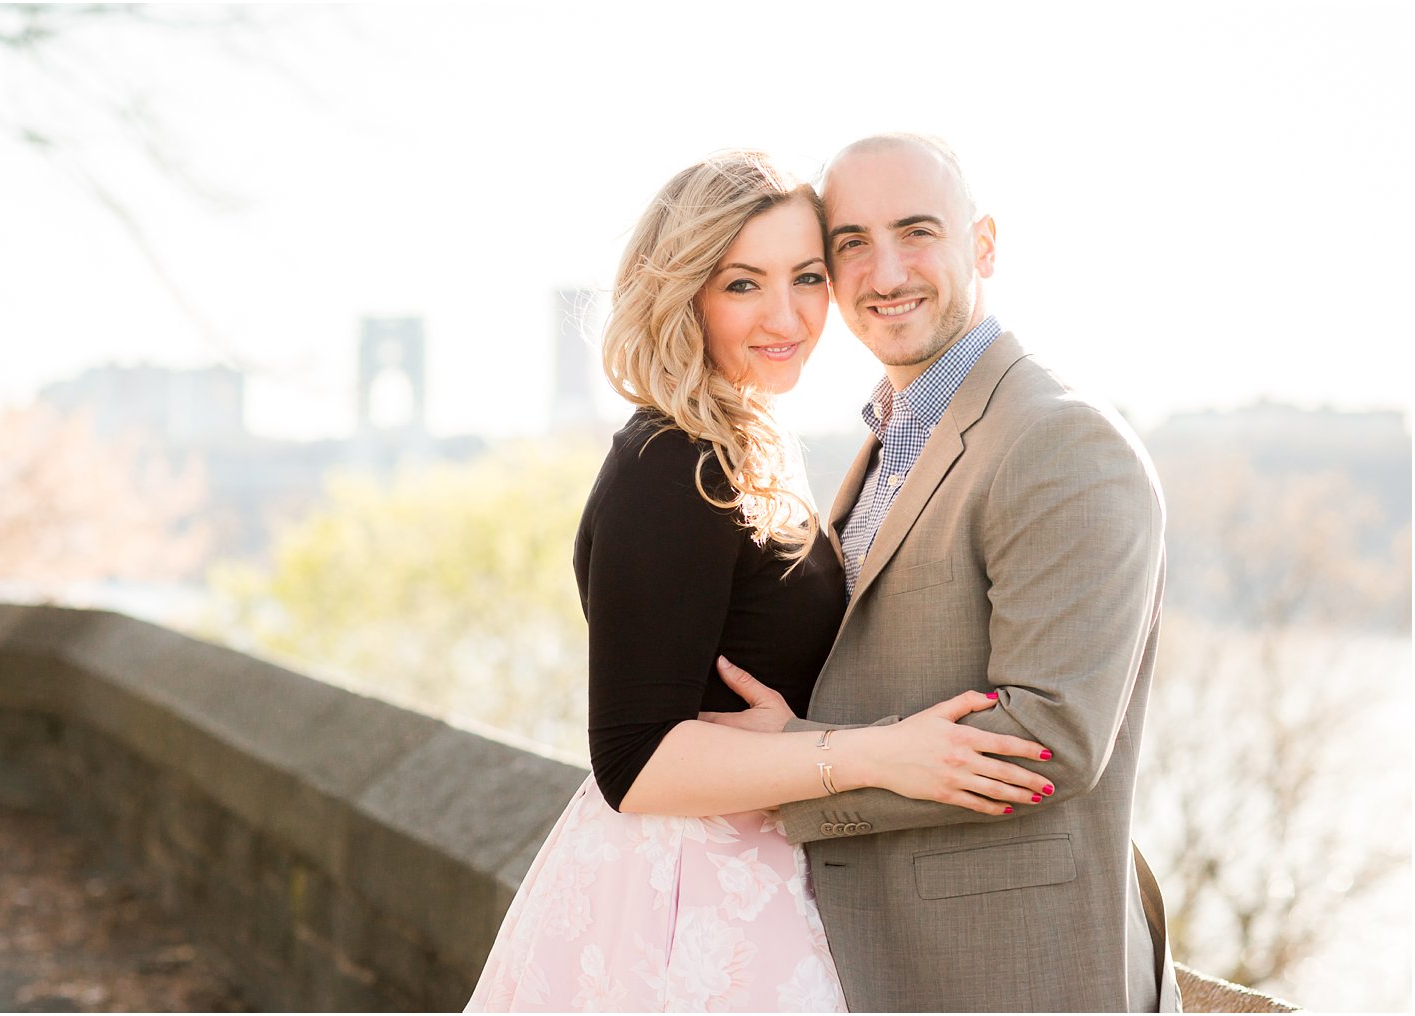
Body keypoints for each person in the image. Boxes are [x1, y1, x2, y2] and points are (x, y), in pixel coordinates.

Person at [465, 150, 1058, 1013]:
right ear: (685, 292)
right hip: (687, 904)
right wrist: (871, 752)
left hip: (759, 869)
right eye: (744, 284)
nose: (787, 316)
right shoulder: (670, 460)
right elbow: (634, 760)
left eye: (808, 277)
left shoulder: (743, 440)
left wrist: (804, 744)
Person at [706, 133, 1182, 1012]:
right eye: (850, 243)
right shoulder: (893, 436)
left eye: (916, 232)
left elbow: (1050, 738)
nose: (884, 272)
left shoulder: (1059, 441)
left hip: (1012, 970)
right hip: (877, 955)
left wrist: (797, 768)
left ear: (985, 245)